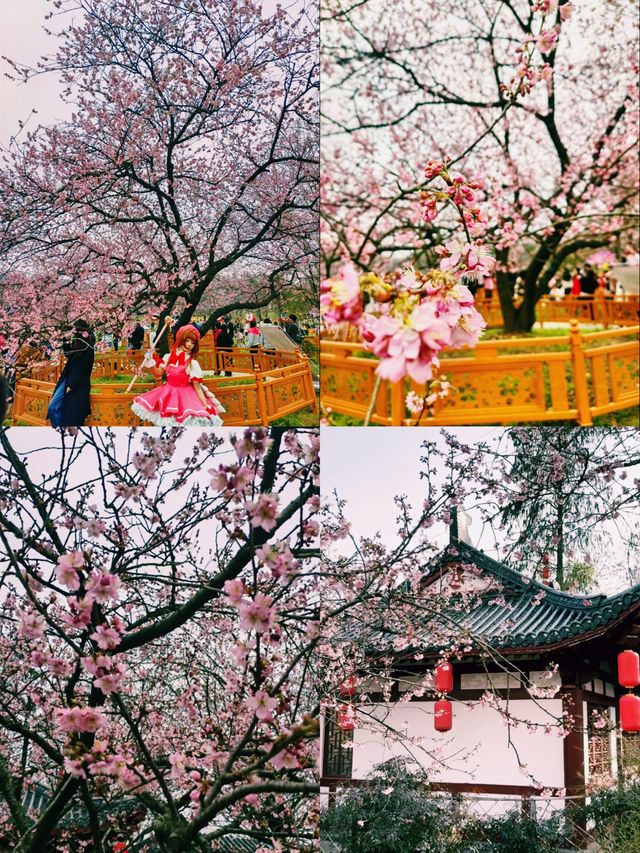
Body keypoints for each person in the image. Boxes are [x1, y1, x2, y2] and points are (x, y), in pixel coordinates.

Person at [131, 325, 224, 426]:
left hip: (186, 397)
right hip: (168, 393)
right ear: (181, 339)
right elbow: (158, 373)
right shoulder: (169, 357)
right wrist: (151, 361)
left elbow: (197, 387)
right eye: (187, 341)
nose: (189, 345)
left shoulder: (192, 363)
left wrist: (205, 405)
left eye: (193, 343)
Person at [47, 320, 95, 428]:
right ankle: (59, 429)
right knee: (53, 407)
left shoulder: (88, 346)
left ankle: (63, 430)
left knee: (70, 413)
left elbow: (83, 367)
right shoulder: (77, 342)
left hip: (77, 383)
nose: (73, 332)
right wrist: (66, 341)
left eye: (75, 329)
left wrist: (71, 384)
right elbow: (69, 355)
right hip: (67, 377)